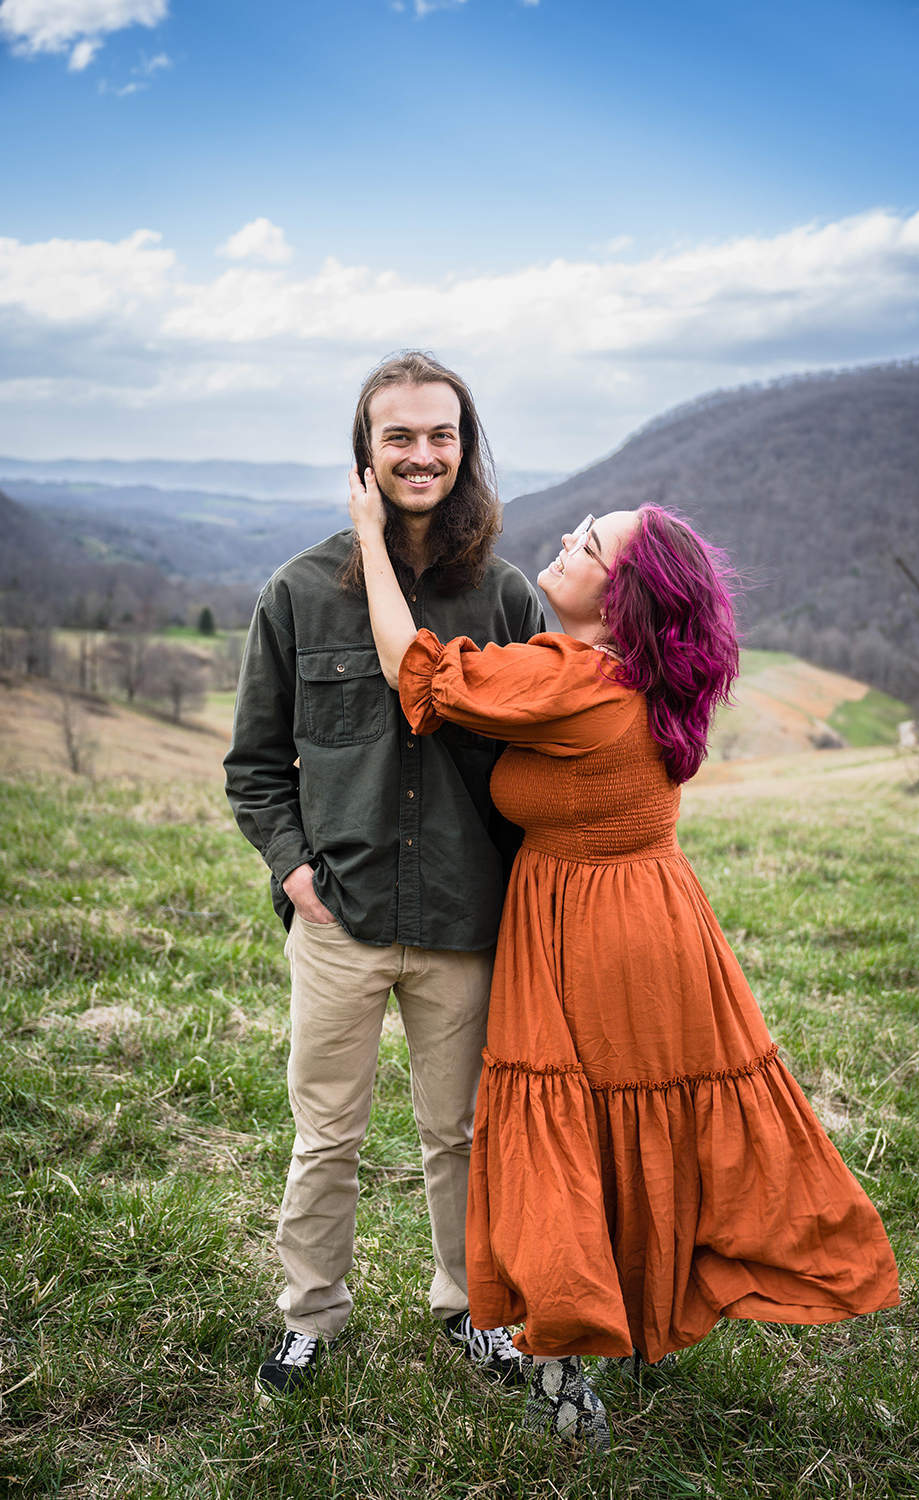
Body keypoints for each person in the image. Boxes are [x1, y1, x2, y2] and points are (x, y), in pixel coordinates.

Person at [348, 479, 900, 1451]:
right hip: (661, 923)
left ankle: (563, 1378)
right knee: (636, 1126)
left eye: (590, 544)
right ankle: (630, 1324)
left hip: (580, 932)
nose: (564, 540)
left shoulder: (573, 680)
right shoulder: (652, 679)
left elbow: (420, 674)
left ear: (622, 597)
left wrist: (364, 534)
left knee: (559, 1135)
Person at [225, 352, 544, 1401]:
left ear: (465, 445)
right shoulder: (298, 592)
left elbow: (545, 753)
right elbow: (256, 766)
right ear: (365, 450)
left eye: (440, 435)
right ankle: (311, 1316)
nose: (421, 454)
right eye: (398, 435)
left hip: (465, 918)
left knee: (463, 1135)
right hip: (343, 918)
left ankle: (472, 1311)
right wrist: (296, 874)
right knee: (328, 1135)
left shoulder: (502, 594)